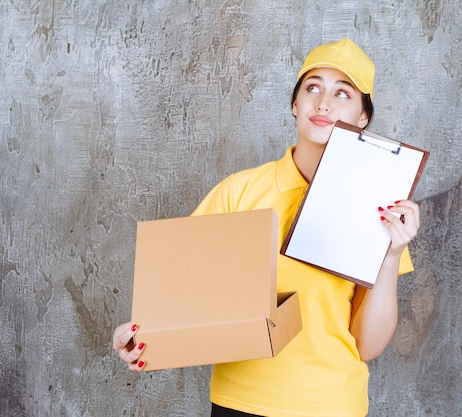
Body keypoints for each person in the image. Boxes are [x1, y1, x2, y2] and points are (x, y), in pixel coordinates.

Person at [113, 38, 420, 417]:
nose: (324, 102)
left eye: (343, 93)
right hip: (239, 402)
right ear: (295, 105)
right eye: (313, 88)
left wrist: (390, 254)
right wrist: (140, 336)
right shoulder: (239, 191)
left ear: (362, 118)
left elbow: (367, 345)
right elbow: (180, 294)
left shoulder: (379, 211)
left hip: (331, 404)